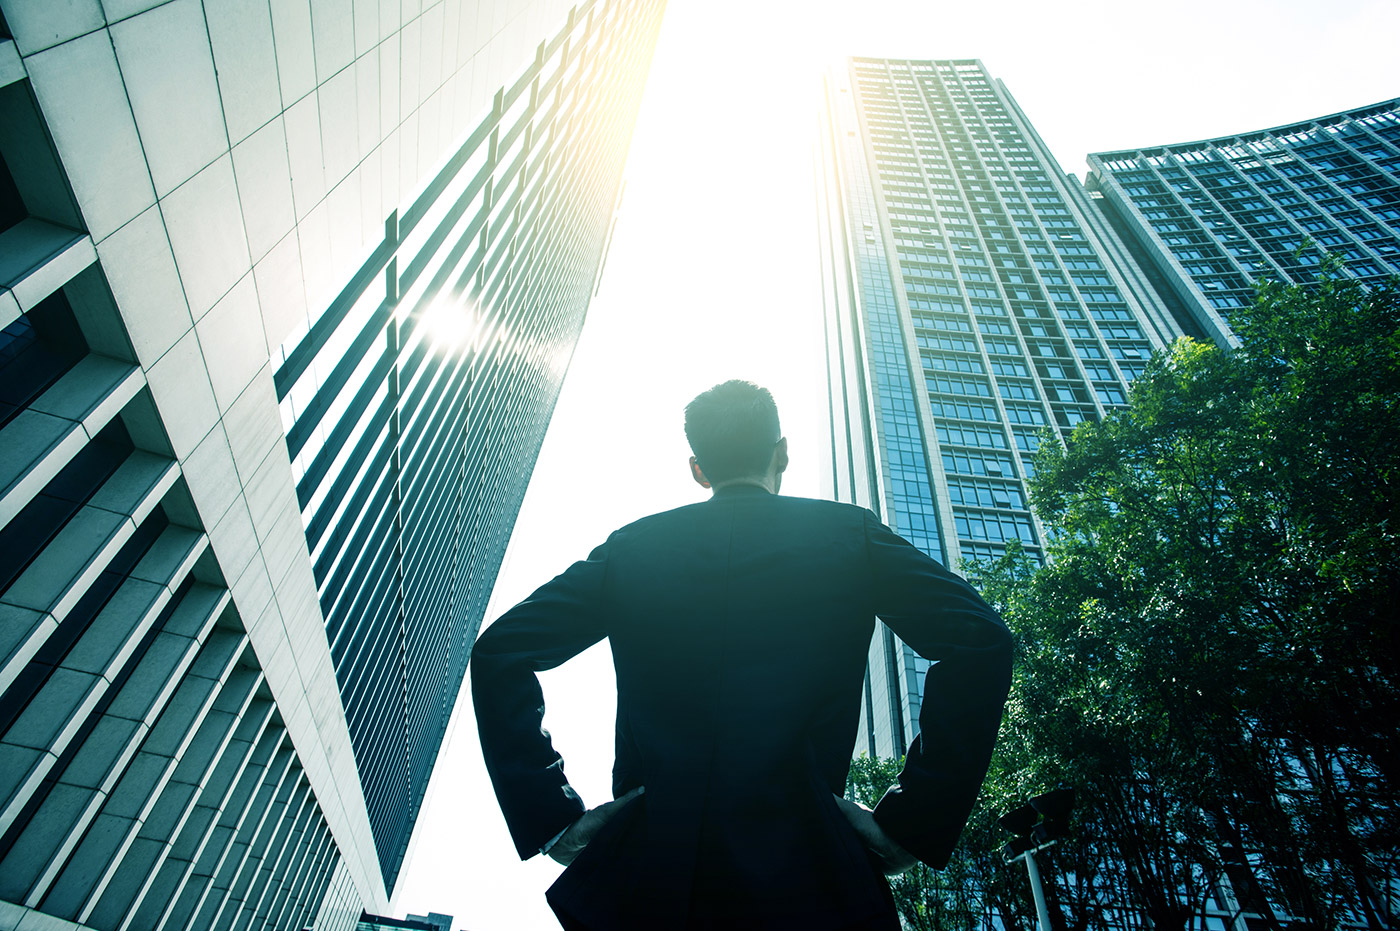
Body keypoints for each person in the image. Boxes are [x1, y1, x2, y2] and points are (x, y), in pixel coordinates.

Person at [471, 380, 1013, 930]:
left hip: (648, 878)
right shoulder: (849, 536)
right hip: (811, 875)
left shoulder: (631, 550)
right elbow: (980, 641)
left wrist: (552, 818)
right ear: (782, 452)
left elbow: (501, 651)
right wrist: (913, 823)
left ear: (698, 468)